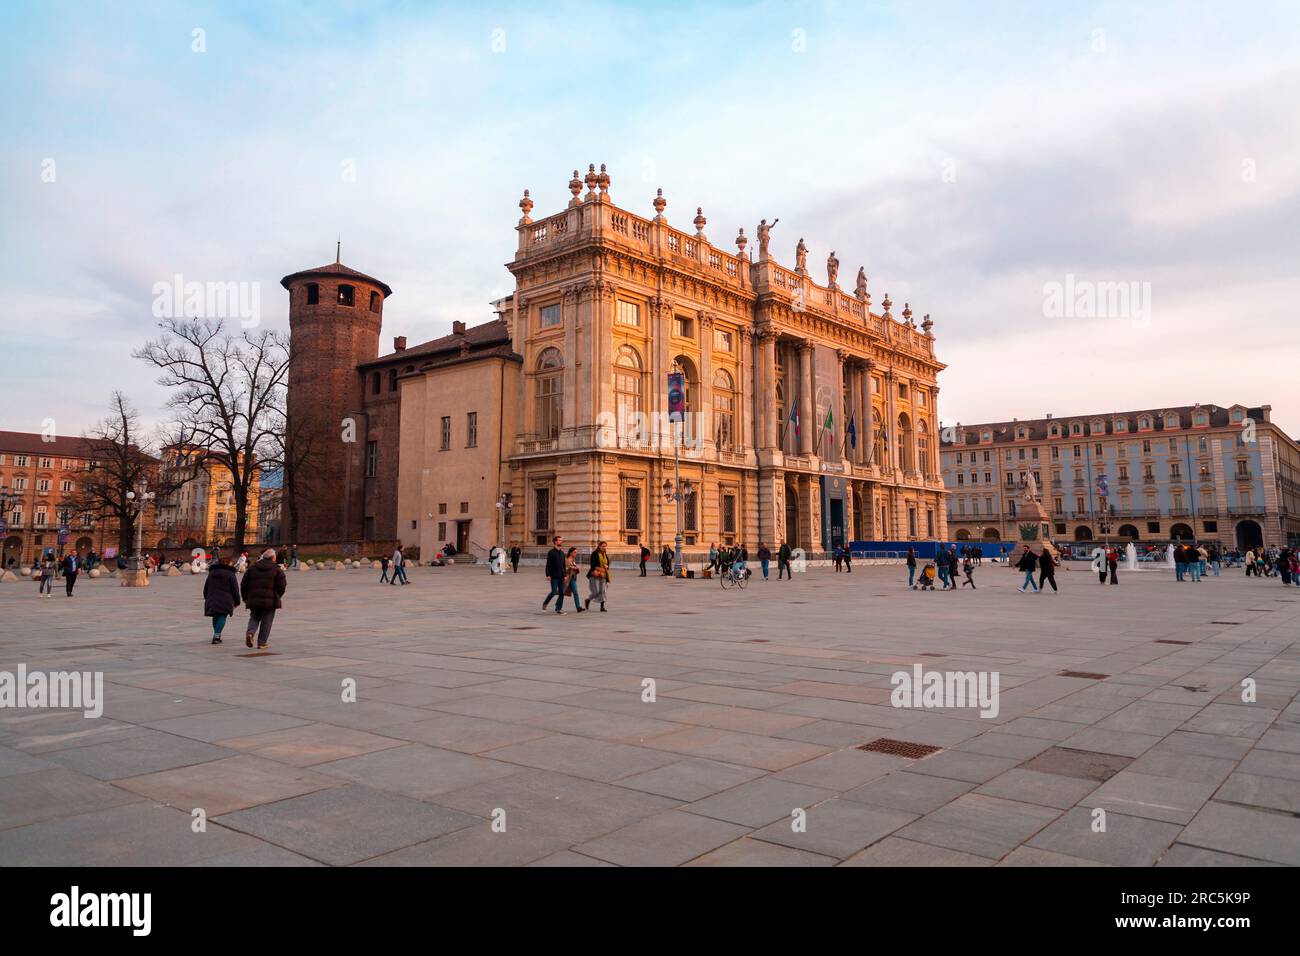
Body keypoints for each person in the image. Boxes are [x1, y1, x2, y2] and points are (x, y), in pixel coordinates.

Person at [240, 548, 286, 649]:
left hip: (254, 599)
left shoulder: (252, 568)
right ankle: (262, 643)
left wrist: (245, 597)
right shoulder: (277, 570)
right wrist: (277, 596)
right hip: (270, 600)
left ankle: (250, 633)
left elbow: (244, 584)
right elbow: (282, 586)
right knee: (267, 621)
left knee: (254, 617)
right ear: (273, 558)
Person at [203, 552, 241, 644]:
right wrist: (237, 601)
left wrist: (207, 597)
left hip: (212, 597)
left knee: (215, 615)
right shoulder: (230, 574)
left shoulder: (211, 573)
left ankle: (217, 634)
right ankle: (216, 636)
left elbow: (206, 587)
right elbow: (235, 589)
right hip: (226, 599)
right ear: (228, 563)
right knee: (222, 615)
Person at [543, 535, 567, 614]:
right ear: (555, 542)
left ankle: (558, 609)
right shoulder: (551, 552)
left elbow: (563, 565)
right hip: (554, 576)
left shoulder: (562, 553)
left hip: (561, 576)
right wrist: (548, 575)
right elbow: (548, 564)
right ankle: (545, 603)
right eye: (559, 540)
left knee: (562, 592)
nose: (561, 541)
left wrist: (565, 575)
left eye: (561, 540)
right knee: (554, 592)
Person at [585, 540, 611, 612]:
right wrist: (600, 569)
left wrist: (607, 566)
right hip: (595, 574)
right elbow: (592, 565)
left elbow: (608, 563)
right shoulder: (594, 553)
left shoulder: (604, 554)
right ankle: (588, 600)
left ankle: (602, 607)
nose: (604, 547)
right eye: (603, 546)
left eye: (605, 546)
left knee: (603, 591)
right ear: (599, 546)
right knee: (596, 592)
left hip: (603, 575)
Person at [563, 546, 586, 612]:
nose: (576, 553)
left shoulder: (573, 560)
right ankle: (557, 605)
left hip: (572, 578)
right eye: (575, 552)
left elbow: (573, 568)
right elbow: (566, 569)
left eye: (576, 552)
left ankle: (578, 607)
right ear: (571, 553)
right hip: (567, 579)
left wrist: (575, 568)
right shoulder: (567, 560)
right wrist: (572, 568)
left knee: (575, 592)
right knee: (561, 592)